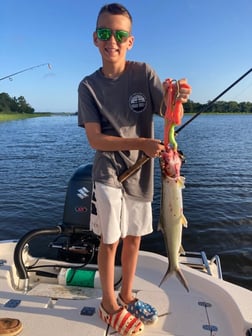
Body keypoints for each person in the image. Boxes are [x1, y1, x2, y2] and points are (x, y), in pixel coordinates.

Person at [78, 3, 191, 335]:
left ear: (130, 41)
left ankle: (127, 294)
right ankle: (109, 304)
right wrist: (141, 143)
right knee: (110, 240)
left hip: (142, 172)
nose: (111, 40)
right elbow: (96, 141)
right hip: (109, 172)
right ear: (95, 40)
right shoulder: (88, 87)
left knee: (134, 238)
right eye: (104, 33)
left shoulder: (144, 73)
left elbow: (171, 115)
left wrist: (178, 96)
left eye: (119, 34)